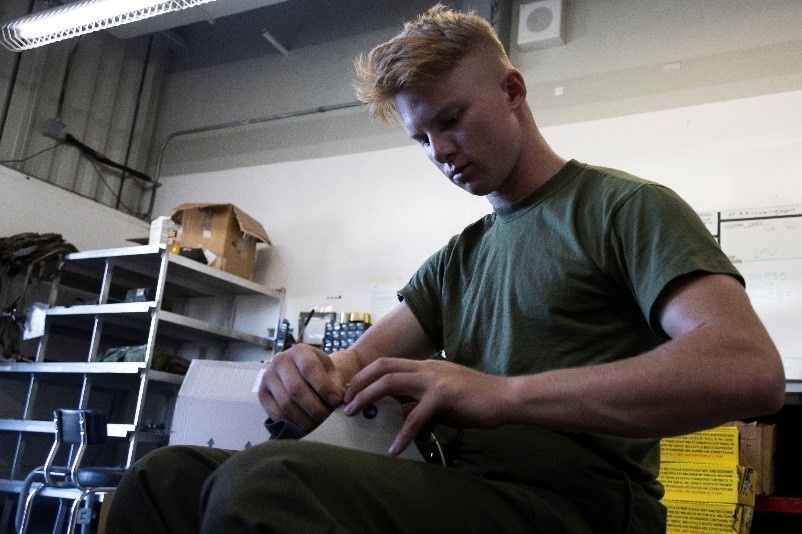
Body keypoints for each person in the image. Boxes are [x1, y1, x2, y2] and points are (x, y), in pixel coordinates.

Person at [106, 4, 785, 533]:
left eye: (452, 119)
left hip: (578, 506)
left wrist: (504, 394)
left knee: (268, 485)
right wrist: (304, 370)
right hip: (464, 488)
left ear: (514, 90)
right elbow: (349, 371)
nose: (442, 152)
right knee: (162, 479)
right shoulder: (460, 257)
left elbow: (746, 370)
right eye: (421, 138)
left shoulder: (621, 208)